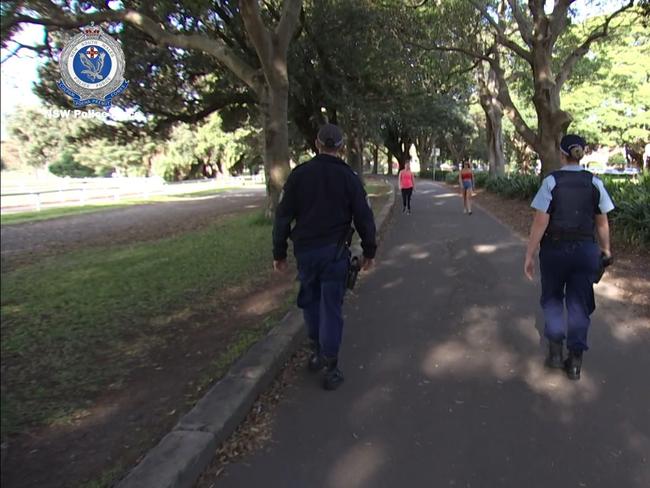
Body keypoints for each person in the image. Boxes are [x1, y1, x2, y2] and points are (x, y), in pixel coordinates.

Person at [272, 123, 377, 390]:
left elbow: (283, 216)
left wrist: (279, 253)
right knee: (331, 306)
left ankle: (317, 351)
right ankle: (331, 365)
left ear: (317, 144)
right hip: (335, 254)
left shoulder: (299, 175)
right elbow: (364, 217)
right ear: (341, 147)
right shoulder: (349, 177)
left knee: (310, 302)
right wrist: (369, 251)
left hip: (306, 253)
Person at [524, 134, 614, 381]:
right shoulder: (594, 182)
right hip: (585, 251)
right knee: (579, 305)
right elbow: (602, 221)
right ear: (580, 153)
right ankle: (575, 362)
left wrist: (530, 254)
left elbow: (540, 222)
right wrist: (606, 251)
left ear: (562, 154)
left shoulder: (551, 182)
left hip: (554, 251)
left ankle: (554, 353)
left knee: (552, 299)